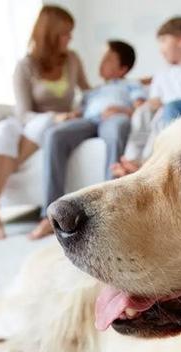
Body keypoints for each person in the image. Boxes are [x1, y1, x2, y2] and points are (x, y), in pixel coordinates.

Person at [0, 5, 90, 240]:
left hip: (54, 125)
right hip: (30, 122)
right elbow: (23, 113)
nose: (70, 38)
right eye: (65, 33)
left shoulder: (72, 60)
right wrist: (55, 116)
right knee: (3, 129)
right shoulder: (25, 66)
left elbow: (87, 91)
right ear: (50, 34)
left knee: (46, 125)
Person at [28, 40, 144, 239]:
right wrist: (72, 115)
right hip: (88, 120)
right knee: (54, 135)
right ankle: (48, 216)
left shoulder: (132, 85)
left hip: (114, 117)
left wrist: (122, 110)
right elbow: (79, 111)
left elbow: (141, 106)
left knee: (118, 127)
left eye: (108, 59)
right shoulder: (92, 92)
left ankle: (110, 209)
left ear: (123, 68)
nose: (102, 62)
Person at [112, 16, 181, 178]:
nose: (161, 49)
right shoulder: (163, 72)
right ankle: (131, 160)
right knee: (143, 113)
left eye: (164, 41)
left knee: (162, 115)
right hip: (163, 109)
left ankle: (146, 162)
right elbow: (155, 98)